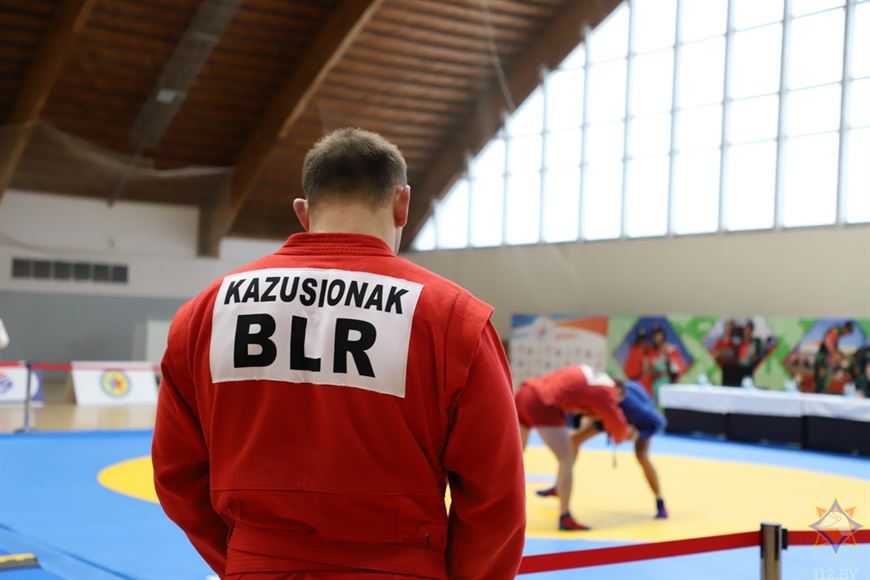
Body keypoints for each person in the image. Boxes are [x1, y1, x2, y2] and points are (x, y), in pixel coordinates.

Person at [152, 128, 526, 579]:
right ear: (403, 203)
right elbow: (496, 500)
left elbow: (176, 475)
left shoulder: (205, 314)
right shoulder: (453, 320)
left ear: (303, 212)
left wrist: (247, 557)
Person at [515, 363, 632, 531]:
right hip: (543, 404)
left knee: (516, 458)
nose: (616, 403)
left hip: (524, 393)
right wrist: (624, 436)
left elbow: (573, 392)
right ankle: (565, 517)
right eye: (618, 401)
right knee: (567, 458)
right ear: (618, 390)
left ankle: (502, 502)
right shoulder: (606, 391)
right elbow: (617, 426)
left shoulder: (590, 372)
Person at [536, 379, 669, 520]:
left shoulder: (633, 407)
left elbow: (659, 422)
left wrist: (639, 435)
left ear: (618, 393)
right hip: (610, 412)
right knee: (573, 441)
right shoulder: (603, 395)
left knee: (641, 456)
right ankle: (559, 485)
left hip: (637, 423)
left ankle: (660, 501)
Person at [646, 325, 688, 401]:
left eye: (659, 335)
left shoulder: (671, 349)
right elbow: (648, 371)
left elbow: (680, 368)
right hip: (655, 385)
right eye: (655, 336)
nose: (657, 338)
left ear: (663, 335)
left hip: (669, 383)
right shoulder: (650, 352)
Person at [814, 321, 855, 393]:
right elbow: (827, 341)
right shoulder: (835, 330)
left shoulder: (838, 333)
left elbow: (833, 346)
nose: (847, 335)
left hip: (826, 356)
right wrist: (833, 352)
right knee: (821, 374)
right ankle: (819, 390)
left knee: (825, 375)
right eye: (848, 332)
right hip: (823, 355)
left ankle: (821, 389)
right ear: (846, 328)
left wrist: (837, 353)